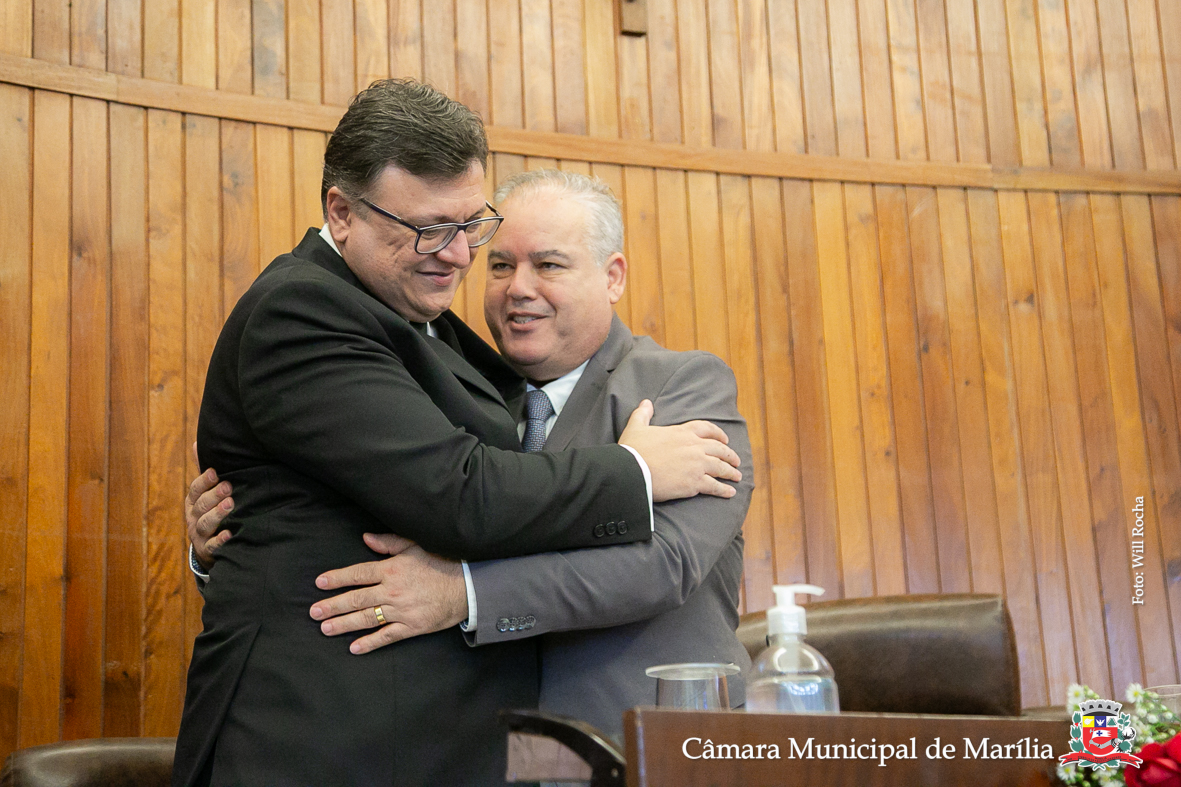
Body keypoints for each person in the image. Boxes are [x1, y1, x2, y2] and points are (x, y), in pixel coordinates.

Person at [173, 81, 741, 787]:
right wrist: (637, 470)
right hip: (329, 737)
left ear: (612, 275)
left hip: (593, 742)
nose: (461, 256)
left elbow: (665, 561)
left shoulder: (675, 385)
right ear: (341, 213)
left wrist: (463, 593)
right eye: (432, 229)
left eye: (472, 227)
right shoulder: (305, 309)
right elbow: (460, 491)